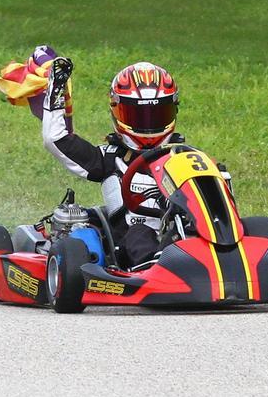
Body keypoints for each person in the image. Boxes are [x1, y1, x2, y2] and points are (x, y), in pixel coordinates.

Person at [41, 57, 180, 267]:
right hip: (130, 243)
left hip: (180, 236)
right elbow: (56, 139)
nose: (149, 125)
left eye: (157, 115)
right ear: (117, 112)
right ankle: (158, 269)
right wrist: (56, 91)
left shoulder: (183, 157)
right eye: (138, 116)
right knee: (140, 234)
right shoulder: (108, 158)